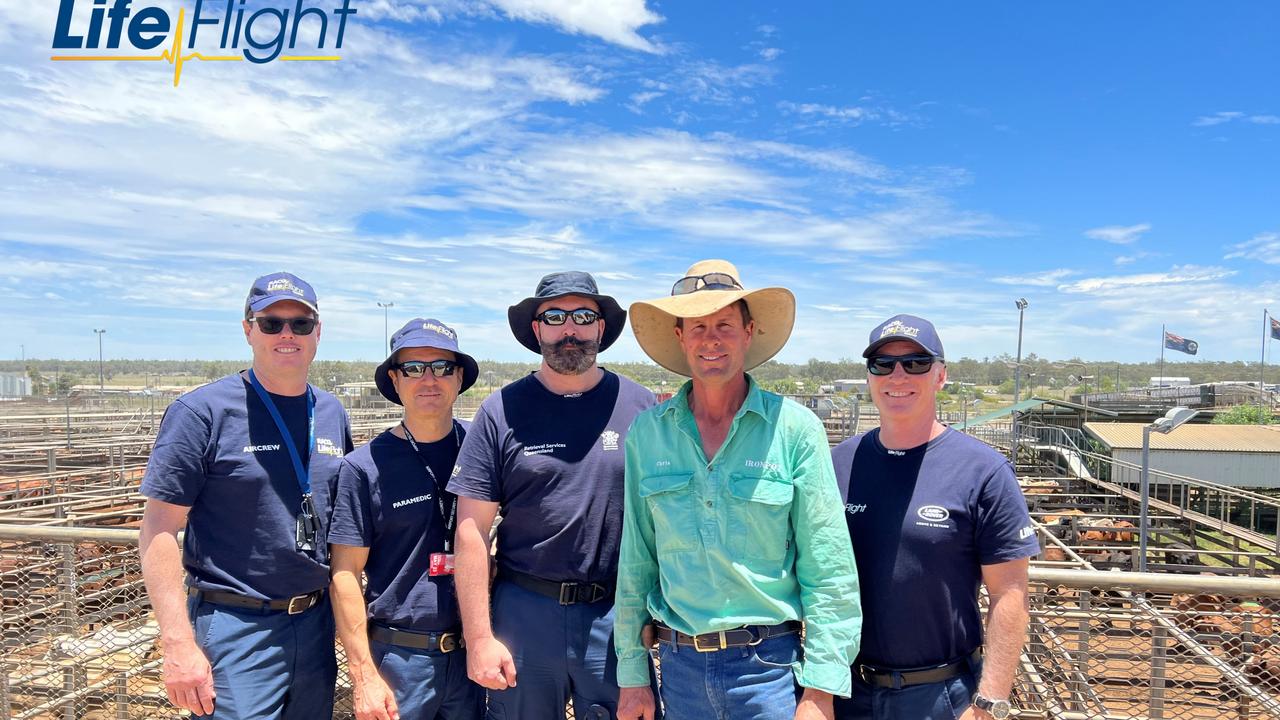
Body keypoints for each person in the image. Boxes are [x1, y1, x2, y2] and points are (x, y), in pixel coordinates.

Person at [616, 259, 862, 720]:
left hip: (769, 667)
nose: (711, 339)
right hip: (679, 666)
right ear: (680, 337)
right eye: (698, 326)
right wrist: (632, 675)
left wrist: (821, 689)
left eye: (725, 324)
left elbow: (827, 566)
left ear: (748, 333)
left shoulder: (795, 429)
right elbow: (637, 560)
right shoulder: (647, 434)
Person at [138, 271, 353, 718]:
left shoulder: (330, 411)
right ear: (248, 330)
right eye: (271, 323)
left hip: (314, 622)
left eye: (301, 323)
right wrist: (177, 644)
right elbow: (159, 528)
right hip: (237, 623)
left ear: (319, 333)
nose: (287, 334)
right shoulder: (201, 412)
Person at [447, 271, 658, 719]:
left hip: (613, 613)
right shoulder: (501, 410)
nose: (570, 329)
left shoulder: (641, 407)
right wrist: (480, 638)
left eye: (583, 316)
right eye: (555, 316)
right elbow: (471, 530)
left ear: (601, 328)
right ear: (537, 329)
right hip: (525, 614)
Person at [831, 314, 1038, 720]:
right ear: (870, 377)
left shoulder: (984, 471)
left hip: (940, 695)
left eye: (916, 363)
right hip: (844, 689)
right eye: (882, 364)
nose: (898, 375)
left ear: (940, 376)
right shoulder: (836, 462)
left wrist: (988, 703)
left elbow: (1009, 593)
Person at [329, 318, 485, 720]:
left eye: (442, 367)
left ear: (459, 376)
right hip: (400, 658)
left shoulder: (483, 451)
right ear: (395, 380)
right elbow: (345, 572)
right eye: (413, 368)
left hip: (476, 654)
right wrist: (363, 676)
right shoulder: (364, 467)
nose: (428, 379)